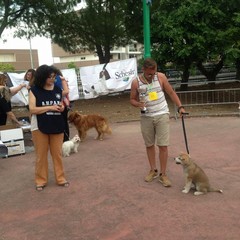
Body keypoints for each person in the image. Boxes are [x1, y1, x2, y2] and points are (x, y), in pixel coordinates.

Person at [130, 58, 186, 187]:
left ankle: (163, 174)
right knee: (149, 145)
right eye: (149, 73)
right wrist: (139, 104)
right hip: (146, 117)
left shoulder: (160, 77)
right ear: (143, 70)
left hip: (162, 114)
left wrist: (180, 107)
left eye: (154, 73)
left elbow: (171, 92)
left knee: (163, 145)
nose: (152, 76)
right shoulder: (135, 83)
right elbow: (132, 99)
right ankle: (153, 170)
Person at [28, 65, 69, 191]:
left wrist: (61, 107)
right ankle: (40, 180)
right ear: (42, 77)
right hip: (39, 127)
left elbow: (61, 102)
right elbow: (32, 109)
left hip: (56, 125)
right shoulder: (34, 90)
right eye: (50, 77)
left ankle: (61, 178)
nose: (52, 79)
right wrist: (50, 108)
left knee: (57, 154)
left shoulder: (57, 89)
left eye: (54, 76)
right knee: (41, 155)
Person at [52, 66, 70, 142]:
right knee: (64, 121)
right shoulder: (61, 78)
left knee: (62, 121)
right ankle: (65, 138)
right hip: (64, 103)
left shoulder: (58, 79)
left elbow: (64, 92)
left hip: (60, 103)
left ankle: (64, 139)